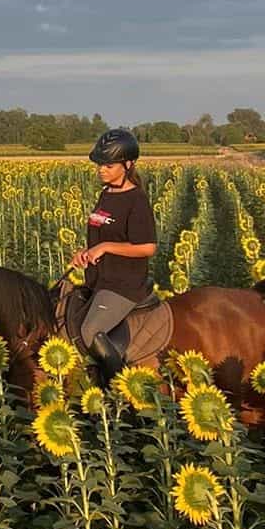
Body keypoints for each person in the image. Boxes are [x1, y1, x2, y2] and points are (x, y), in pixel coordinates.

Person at [68, 128, 157, 383]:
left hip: (123, 285)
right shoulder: (107, 193)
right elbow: (102, 234)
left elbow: (147, 247)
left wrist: (105, 247)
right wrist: (85, 253)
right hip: (98, 279)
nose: (101, 169)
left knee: (90, 330)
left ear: (128, 165)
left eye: (108, 165)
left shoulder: (136, 200)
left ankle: (119, 389)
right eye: (100, 164)